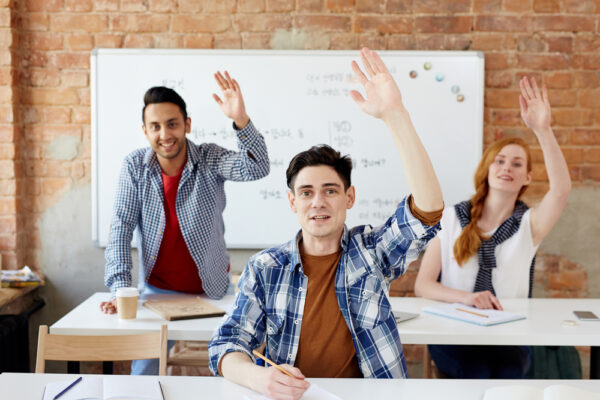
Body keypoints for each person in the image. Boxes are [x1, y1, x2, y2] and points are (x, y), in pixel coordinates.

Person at [208, 48, 444, 400]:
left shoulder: (371, 253)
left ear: (349, 198)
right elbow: (226, 345)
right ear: (293, 202)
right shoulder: (265, 268)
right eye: (306, 192)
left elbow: (427, 211)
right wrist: (259, 379)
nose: (317, 201)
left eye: (329, 190)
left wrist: (396, 116)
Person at [100, 72, 270, 374]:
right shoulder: (135, 167)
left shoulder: (209, 158)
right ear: (145, 131)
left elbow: (256, 167)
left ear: (187, 124)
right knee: (143, 375)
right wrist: (120, 290)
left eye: (172, 124)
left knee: (231, 369)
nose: (165, 134)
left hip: (211, 291)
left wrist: (241, 120)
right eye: (156, 126)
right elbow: (121, 227)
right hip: (156, 291)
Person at [414, 76, 572, 379]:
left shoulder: (529, 224)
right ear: (487, 170)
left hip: (509, 333)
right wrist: (468, 299)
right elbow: (423, 286)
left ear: (527, 177)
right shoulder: (450, 218)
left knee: (509, 373)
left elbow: (561, 190)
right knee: (477, 371)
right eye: (499, 161)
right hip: (454, 330)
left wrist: (543, 129)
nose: (506, 168)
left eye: (516, 164)